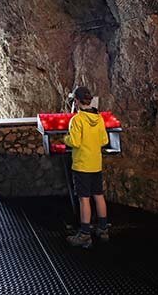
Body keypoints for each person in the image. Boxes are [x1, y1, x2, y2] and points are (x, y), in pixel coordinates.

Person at [64, 86, 110, 248]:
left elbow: (74, 142)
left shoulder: (76, 120)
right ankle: (103, 229)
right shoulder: (99, 118)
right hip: (95, 163)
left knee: (84, 199)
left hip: (82, 164)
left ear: (76, 101)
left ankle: (85, 234)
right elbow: (104, 141)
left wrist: (65, 139)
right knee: (98, 195)